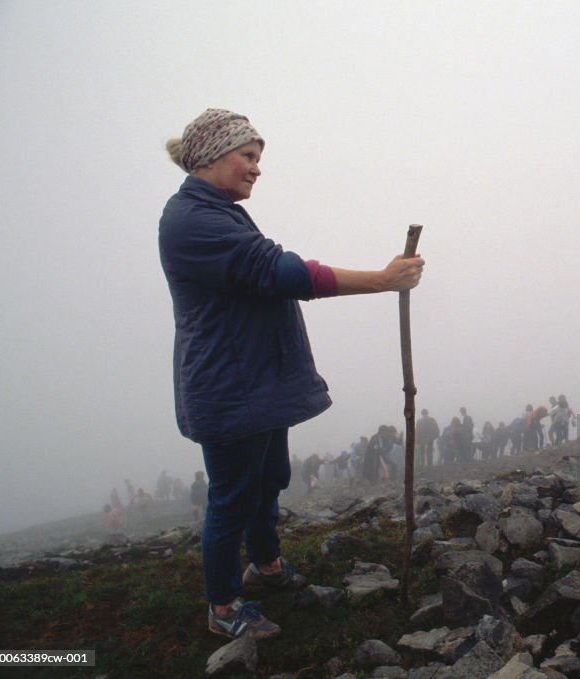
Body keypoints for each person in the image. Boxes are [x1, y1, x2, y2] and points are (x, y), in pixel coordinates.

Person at [159, 109, 424, 640]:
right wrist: (380, 279)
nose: (257, 169)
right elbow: (279, 271)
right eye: (249, 157)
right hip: (230, 386)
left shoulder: (219, 211)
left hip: (254, 381)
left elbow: (266, 273)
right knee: (232, 496)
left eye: (259, 159)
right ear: (213, 154)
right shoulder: (193, 219)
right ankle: (224, 605)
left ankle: (266, 565)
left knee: (267, 481)